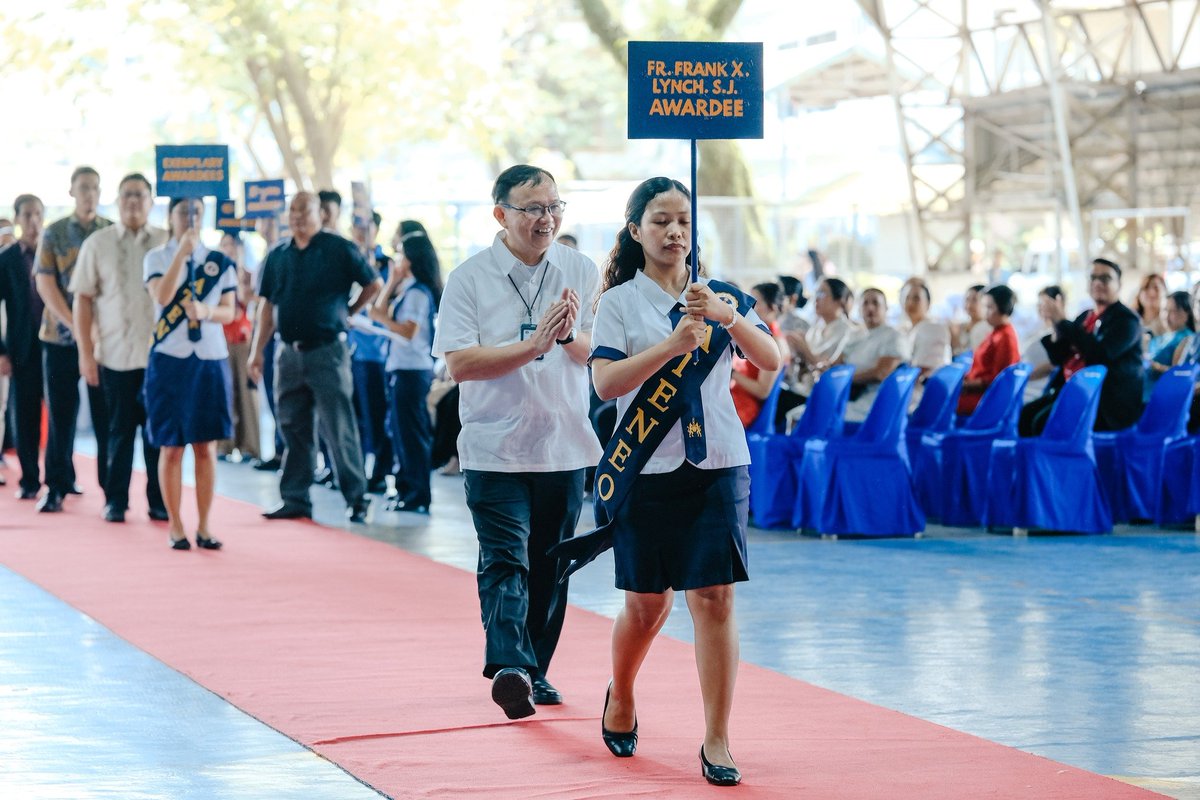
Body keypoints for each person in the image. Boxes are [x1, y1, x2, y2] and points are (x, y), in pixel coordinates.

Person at [582, 177, 779, 786]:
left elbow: (771, 361)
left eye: (684, 221)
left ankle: (717, 736)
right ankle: (621, 691)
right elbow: (606, 384)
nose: (674, 231)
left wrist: (727, 318)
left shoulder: (721, 296)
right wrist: (671, 346)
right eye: (661, 220)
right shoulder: (618, 303)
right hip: (646, 467)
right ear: (635, 230)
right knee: (648, 605)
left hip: (718, 462)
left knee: (715, 598)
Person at [432, 164, 601, 719]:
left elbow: (600, 355)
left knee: (550, 566)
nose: (546, 218)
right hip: (494, 446)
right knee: (505, 559)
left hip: (563, 444)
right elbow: (460, 363)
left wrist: (567, 335)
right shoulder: (469, 278)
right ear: (501, 214)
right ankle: (510, 665)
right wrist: (533, 346)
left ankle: (535, 669)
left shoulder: (579, 269)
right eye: (532, 208)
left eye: (553, 206)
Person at [248, 191, 382, 523]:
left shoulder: (339, 249)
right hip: (288, 353)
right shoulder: (277, 255)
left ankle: (357, 498)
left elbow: (373, 284)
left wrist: (348, 311)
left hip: (328, 351)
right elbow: (267, 306)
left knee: (339, 427)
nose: (297, 217)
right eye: (292, 211)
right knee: (292, 427)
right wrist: (256, 351)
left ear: (319, 214)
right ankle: (295, 498)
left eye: (304, 210)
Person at [71, 173, 168, 523]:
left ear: (151, 201)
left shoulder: (167, 241)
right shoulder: (98, 243)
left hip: (160, 358)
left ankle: (160, 501)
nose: (133, 201)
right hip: (114, 356)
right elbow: (83, 300)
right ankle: (115, 500)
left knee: (158, 435)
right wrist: (86, 352)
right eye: (127, 194)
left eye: (140, 195)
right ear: (117, 199)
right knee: (117, 433)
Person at [143, 198, 237, 550]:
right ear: (171, 217)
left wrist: (206, 311)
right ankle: (176, 525)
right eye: (184, 212)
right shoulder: (156, 257)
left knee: (205, 446)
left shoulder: (219, 262)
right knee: (171, 447)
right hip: (170, 358)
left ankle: (205, 525)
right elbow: (162, 295)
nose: (190, 218)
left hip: (209, 357)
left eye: (197, 211)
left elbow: (229, 311)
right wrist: (182, 254)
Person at [33, 166, 112, 513]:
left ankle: (113, 492)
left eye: (94, 188)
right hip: (59, 338)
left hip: (104, 341)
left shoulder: (111, 231)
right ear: (71, 192)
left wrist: (91, 333)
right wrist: (76, 325)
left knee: (106, 417)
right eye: (83, 188)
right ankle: (57, 485)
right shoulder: (55, 232)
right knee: (61, 415)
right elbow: (45, 283)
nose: (89, 194)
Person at [1019, 258, 1144, 436]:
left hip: (1106, 402)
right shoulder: (1085, 317)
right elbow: (1058, 357)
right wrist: (1056, 324)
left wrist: (1063, 321)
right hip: (1075, 392)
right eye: (1093, 278)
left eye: (1105, 278)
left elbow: (1100, 355)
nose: (1098, 283)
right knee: (1025, 415)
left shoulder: (1127, 320)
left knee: (1042, 423)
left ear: (1119, 284)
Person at [369, 229, 442, 513]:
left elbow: (408, 331)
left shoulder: (417, 293)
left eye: (400, 255)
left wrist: (385, 323)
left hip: (412, 370)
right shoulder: (407, 289)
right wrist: (391, 282)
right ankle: (406, 489)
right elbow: (376, 311)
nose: (396, 260)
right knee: (399, 431)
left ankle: (417, 493)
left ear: (410, 259)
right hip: (401, 368)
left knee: (411, 433)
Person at [0, 195, 46, 499]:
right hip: (22, 348)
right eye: (27, 215)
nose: (33, 221)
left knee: (62, 415)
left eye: (38, 214)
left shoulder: (55, 253)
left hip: (58, 345)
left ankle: (62, 478)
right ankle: (30, 480)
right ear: (17, 219)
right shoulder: (6, 259)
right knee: (26, 416)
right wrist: (2, 351)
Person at [348, 210, 394, 494]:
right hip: (350, 348)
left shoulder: (385, 264)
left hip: (376, 350)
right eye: (356, 226)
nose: (360, 232)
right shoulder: (348, 258)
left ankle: (380, 471)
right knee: (355, 415)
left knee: (376, 414)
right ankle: (357, 469)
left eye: (366, 227)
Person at [779, 277, 857, 430]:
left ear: (839, 301)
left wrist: (804, 349)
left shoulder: (847, 332)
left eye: (822, 294)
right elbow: (805, 369)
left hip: (820, 395)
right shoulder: (816, 329)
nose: (816, 299)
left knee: (774, 398)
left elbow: (828, 369)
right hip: (802, 388)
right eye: (816, 294)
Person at [216, 232, 262, 463]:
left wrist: (241, 268)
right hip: (221, 337)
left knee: (247, 393)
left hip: (243, 338)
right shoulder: (215, 273)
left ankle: (249, 446)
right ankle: (224, 444)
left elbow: (248, 298)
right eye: (223, 245)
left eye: (231, 245)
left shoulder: (247, 273)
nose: (227, 249)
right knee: (224, 391)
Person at [833, 287, 904, 422]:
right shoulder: (853, 334)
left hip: (873, 401)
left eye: (875, 303)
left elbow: (881, 373)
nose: (870, 308)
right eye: (865, 303)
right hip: (846, 394)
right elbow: (835, 364)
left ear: (886, 308)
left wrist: (845, 379)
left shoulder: (893, 336)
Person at [957, 285, 1021, 415]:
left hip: (987, 398)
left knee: (940, 402)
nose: (985, 312)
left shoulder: (1005, 337)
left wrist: (966, 385)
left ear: (1003, 308)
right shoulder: (996, 332)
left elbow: (997, 380)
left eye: (989, 307)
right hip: (979, 392)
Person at [729, 282, 786, 428]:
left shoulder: (775, 343)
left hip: (745, 405)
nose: (749, 306)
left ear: (772, 308)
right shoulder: (759, 334)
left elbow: (763, 391)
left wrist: (731, 373)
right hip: (735, 395)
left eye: (756, 302)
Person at [898, 278, 951, 380]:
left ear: (928, 303)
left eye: (916, 298)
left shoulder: (933, 329)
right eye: (907, 298)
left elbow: (924, 369)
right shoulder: (905, 329)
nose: (910, 303)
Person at [1146, 290, 1195, 399]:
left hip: (1163, 396)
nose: (1167, 316)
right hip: (1145, 393)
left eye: (1174, 311)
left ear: (1186, 313)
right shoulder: (1160, 338)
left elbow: (1182, 374)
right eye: (1165, 310)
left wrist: (1157, 367)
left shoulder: (1189, 339)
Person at [1019, 286, 1064, 403]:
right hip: (1026, 383)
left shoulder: (1061, 332)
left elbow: (1053, 364)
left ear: (1057, 303)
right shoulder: (1036, 328)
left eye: (1043, 303)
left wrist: (1026, 376)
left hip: (1039, 387)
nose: (1040, 307)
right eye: (1038, 303)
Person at [1133, 273, 1168, 350]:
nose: (1151, 293)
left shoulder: (1169, 323)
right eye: (1146, 287)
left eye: (1156, 288)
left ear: (1165, 293)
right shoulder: (1131, 320)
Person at [951, 284, 988, 356]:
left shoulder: (989, 328)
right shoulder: (959, 327)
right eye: (967, 299)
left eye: (974, 300)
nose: (969, 305)